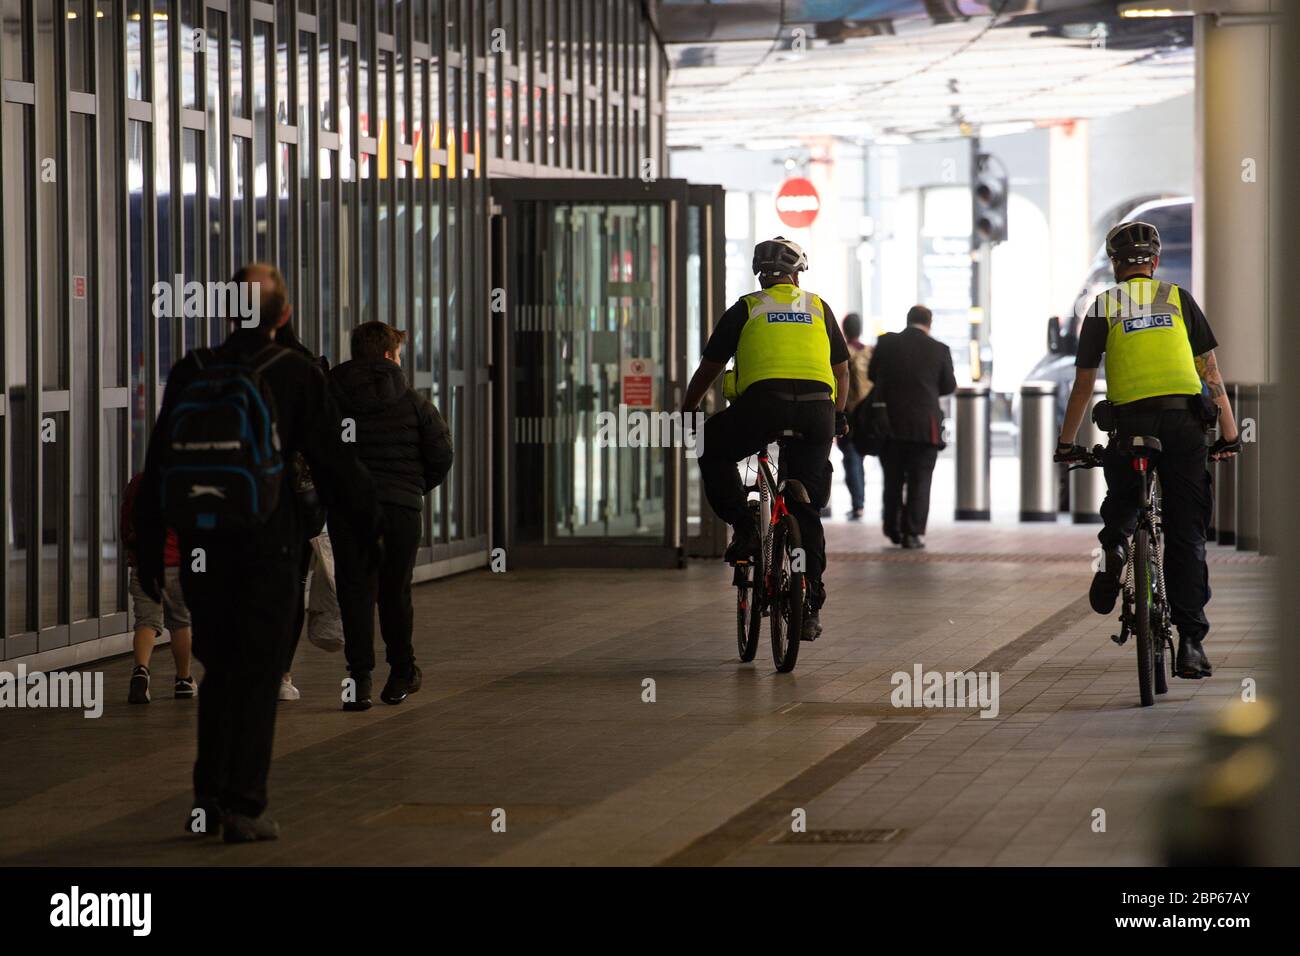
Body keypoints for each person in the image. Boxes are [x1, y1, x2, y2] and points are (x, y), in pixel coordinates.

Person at [134, 263, 381, 843]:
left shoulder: (192, 371)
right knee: (260, 673)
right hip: (269, 548)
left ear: (226, 310)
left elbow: (159, 465)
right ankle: (243, 802)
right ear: (284, 316)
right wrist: (368, 531)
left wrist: (149, 552)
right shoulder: (296, 371)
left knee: (220, 671)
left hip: (202, 550)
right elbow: (336, 464)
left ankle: (207, 797)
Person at [1055, 220, 1241, 680]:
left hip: (1131, 422)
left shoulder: (1103, 305)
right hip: (1184, 424)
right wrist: (1231, 433)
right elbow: (1210, 371)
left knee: (1122, 497)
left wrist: (1066, 444)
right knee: (1186, 536)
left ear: (1116, 266)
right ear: (1154, 263)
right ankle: (1192, 644)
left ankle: (1115, 548)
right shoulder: (1178, 299)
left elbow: (1082, 384)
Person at [682, 237, 850, 642]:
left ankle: (745, 527)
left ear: (761, 274)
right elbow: (841, 370)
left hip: (762, 407)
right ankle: (810, 602)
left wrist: (688, 409)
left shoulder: (747, 308)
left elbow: (710, 368)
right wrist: (840, 415)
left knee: (714, 447)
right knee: (804, 504)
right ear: (798, 274)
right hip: (816, 412)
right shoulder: (818, 307)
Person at [329, 321, 453, 710]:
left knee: (355, 592)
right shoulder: (415, 403)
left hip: (350, 511)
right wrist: (412, 489)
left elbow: (317, 450)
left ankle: (360, 679)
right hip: (400, 510)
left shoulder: (332, 397)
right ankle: (401, 673)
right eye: (398, 353)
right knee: (395, 591)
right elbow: (441, 455)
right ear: (388, 355)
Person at [274, 320, 330, 702]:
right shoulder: (309, 367)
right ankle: (280, 673)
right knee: (291, 584)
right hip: (298, 495)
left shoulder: (226, 368)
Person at [867, 304, 956, 549]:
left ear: (907, 321)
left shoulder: (886, 344)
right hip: (924, 427)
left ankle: (893, 528)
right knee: (920, 480)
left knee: (892, 479)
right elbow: (948, 386)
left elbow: (873, 375)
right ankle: (913, 533)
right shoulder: (939, 349)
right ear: (929, 323)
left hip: (890, 424)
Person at [120, 473, 195, 704]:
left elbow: (126, 521)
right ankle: (183, 681)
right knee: (180, 623)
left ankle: (141, 673)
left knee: (146, 622)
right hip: (177, 565)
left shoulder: (139, 482)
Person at [838, 312, 873, 520]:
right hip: (869, 413)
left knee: (852, 459)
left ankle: (858, 504)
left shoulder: (842, 352)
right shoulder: (870, 351)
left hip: (850, 413)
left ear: (845, 330)